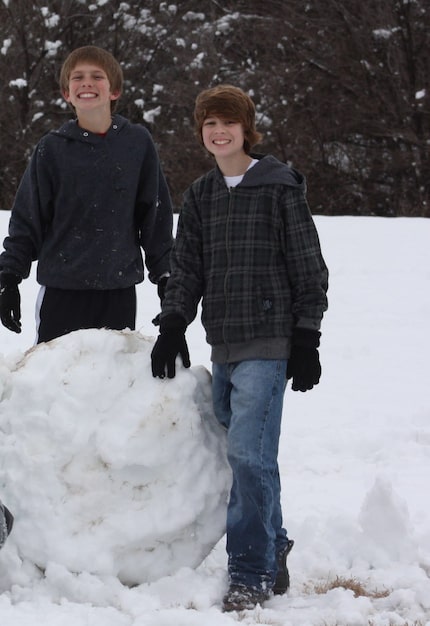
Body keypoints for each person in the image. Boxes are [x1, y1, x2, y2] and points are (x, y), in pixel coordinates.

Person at [151, 85, 328, 611]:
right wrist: (174, 322)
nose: (218, 132)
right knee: (246, 457)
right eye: (209, 124)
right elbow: (187, 268)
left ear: (246, 128)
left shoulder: (279, 187)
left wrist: (307, 337)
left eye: (227, 122)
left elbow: (308, 266)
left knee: (249, 455)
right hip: (223, 344)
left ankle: (249, 571)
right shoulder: (202, 194)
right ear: (201, 131)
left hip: (268, 344)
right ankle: (274, 544)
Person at [0, 46, 173, 343]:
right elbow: (28, 221)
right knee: (58, 385)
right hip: (61, 293)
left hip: (117, 293)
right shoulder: (52, 149)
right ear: (67, 93)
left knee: (111, 384)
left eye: (97, 76)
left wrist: (168, 279)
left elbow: (155, 220)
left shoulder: (136, 144)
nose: (87, 83)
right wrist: (9, 278)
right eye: (77, 77)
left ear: (114, 90)